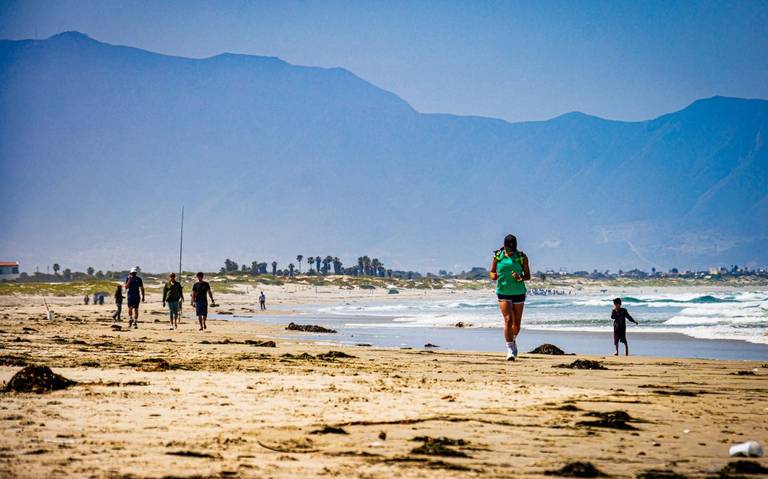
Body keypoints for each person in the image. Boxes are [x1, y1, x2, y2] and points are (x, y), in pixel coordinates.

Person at [490, 234, 531, 361]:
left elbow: (528, 275)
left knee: (517, 324)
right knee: (508, 320)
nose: (511, 252)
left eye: (513, 249)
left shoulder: (522, 257)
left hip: (518, 292)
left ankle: (512, 340)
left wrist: (520, 277)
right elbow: (491, 272)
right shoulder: (498, 256)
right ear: (505, 246)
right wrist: (494, 276)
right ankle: (510, 350)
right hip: (503, 292)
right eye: (509, 249)